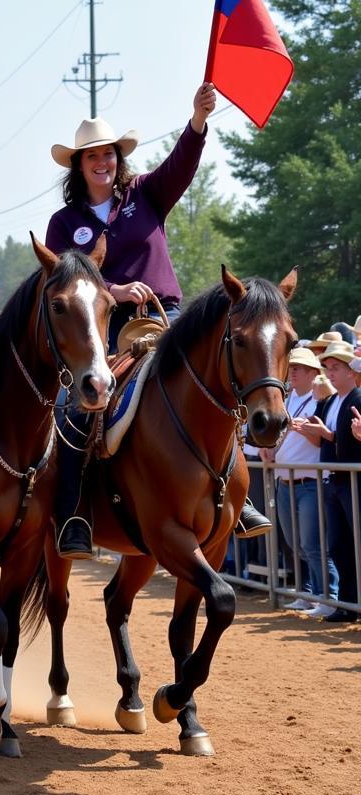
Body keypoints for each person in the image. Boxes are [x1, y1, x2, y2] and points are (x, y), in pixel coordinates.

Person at [44, 83, 269, 558]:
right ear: (78, 166)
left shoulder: (145, 194)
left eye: (108, 155)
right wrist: (112, 290)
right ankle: (73, 516)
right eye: (91, 158)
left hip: (169, 316)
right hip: (101, 325)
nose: (102, 163)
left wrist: (197, 120)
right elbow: (65, 282)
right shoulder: (64, 224)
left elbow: (181, 167)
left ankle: (237, 495)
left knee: (221, 384)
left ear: (117, 160)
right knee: (73, 407)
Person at [261, 346, 332, 612]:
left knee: (312, 545)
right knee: (294, 544)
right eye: (291, 368)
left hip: (310, 481)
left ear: (314, 372)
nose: (292, 373)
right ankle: (308, 593)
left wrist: (300, 429)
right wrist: (269, 449)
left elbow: (319, 441)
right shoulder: (287, 399)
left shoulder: (321, 399)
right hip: (285, 480)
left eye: (298, 369)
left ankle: (327, 595)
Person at [298, 340, 361, 622]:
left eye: (337, 368)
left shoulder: (357, 400)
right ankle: (347, 604)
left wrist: (329, 436)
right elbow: (323, 439)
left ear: (351, 372)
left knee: (354, 543)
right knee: (338, 544)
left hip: (351, 481)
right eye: (329, 368)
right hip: (333, 481)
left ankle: (351, 604)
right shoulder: (330, 402)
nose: (331, 373)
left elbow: (344, 443)